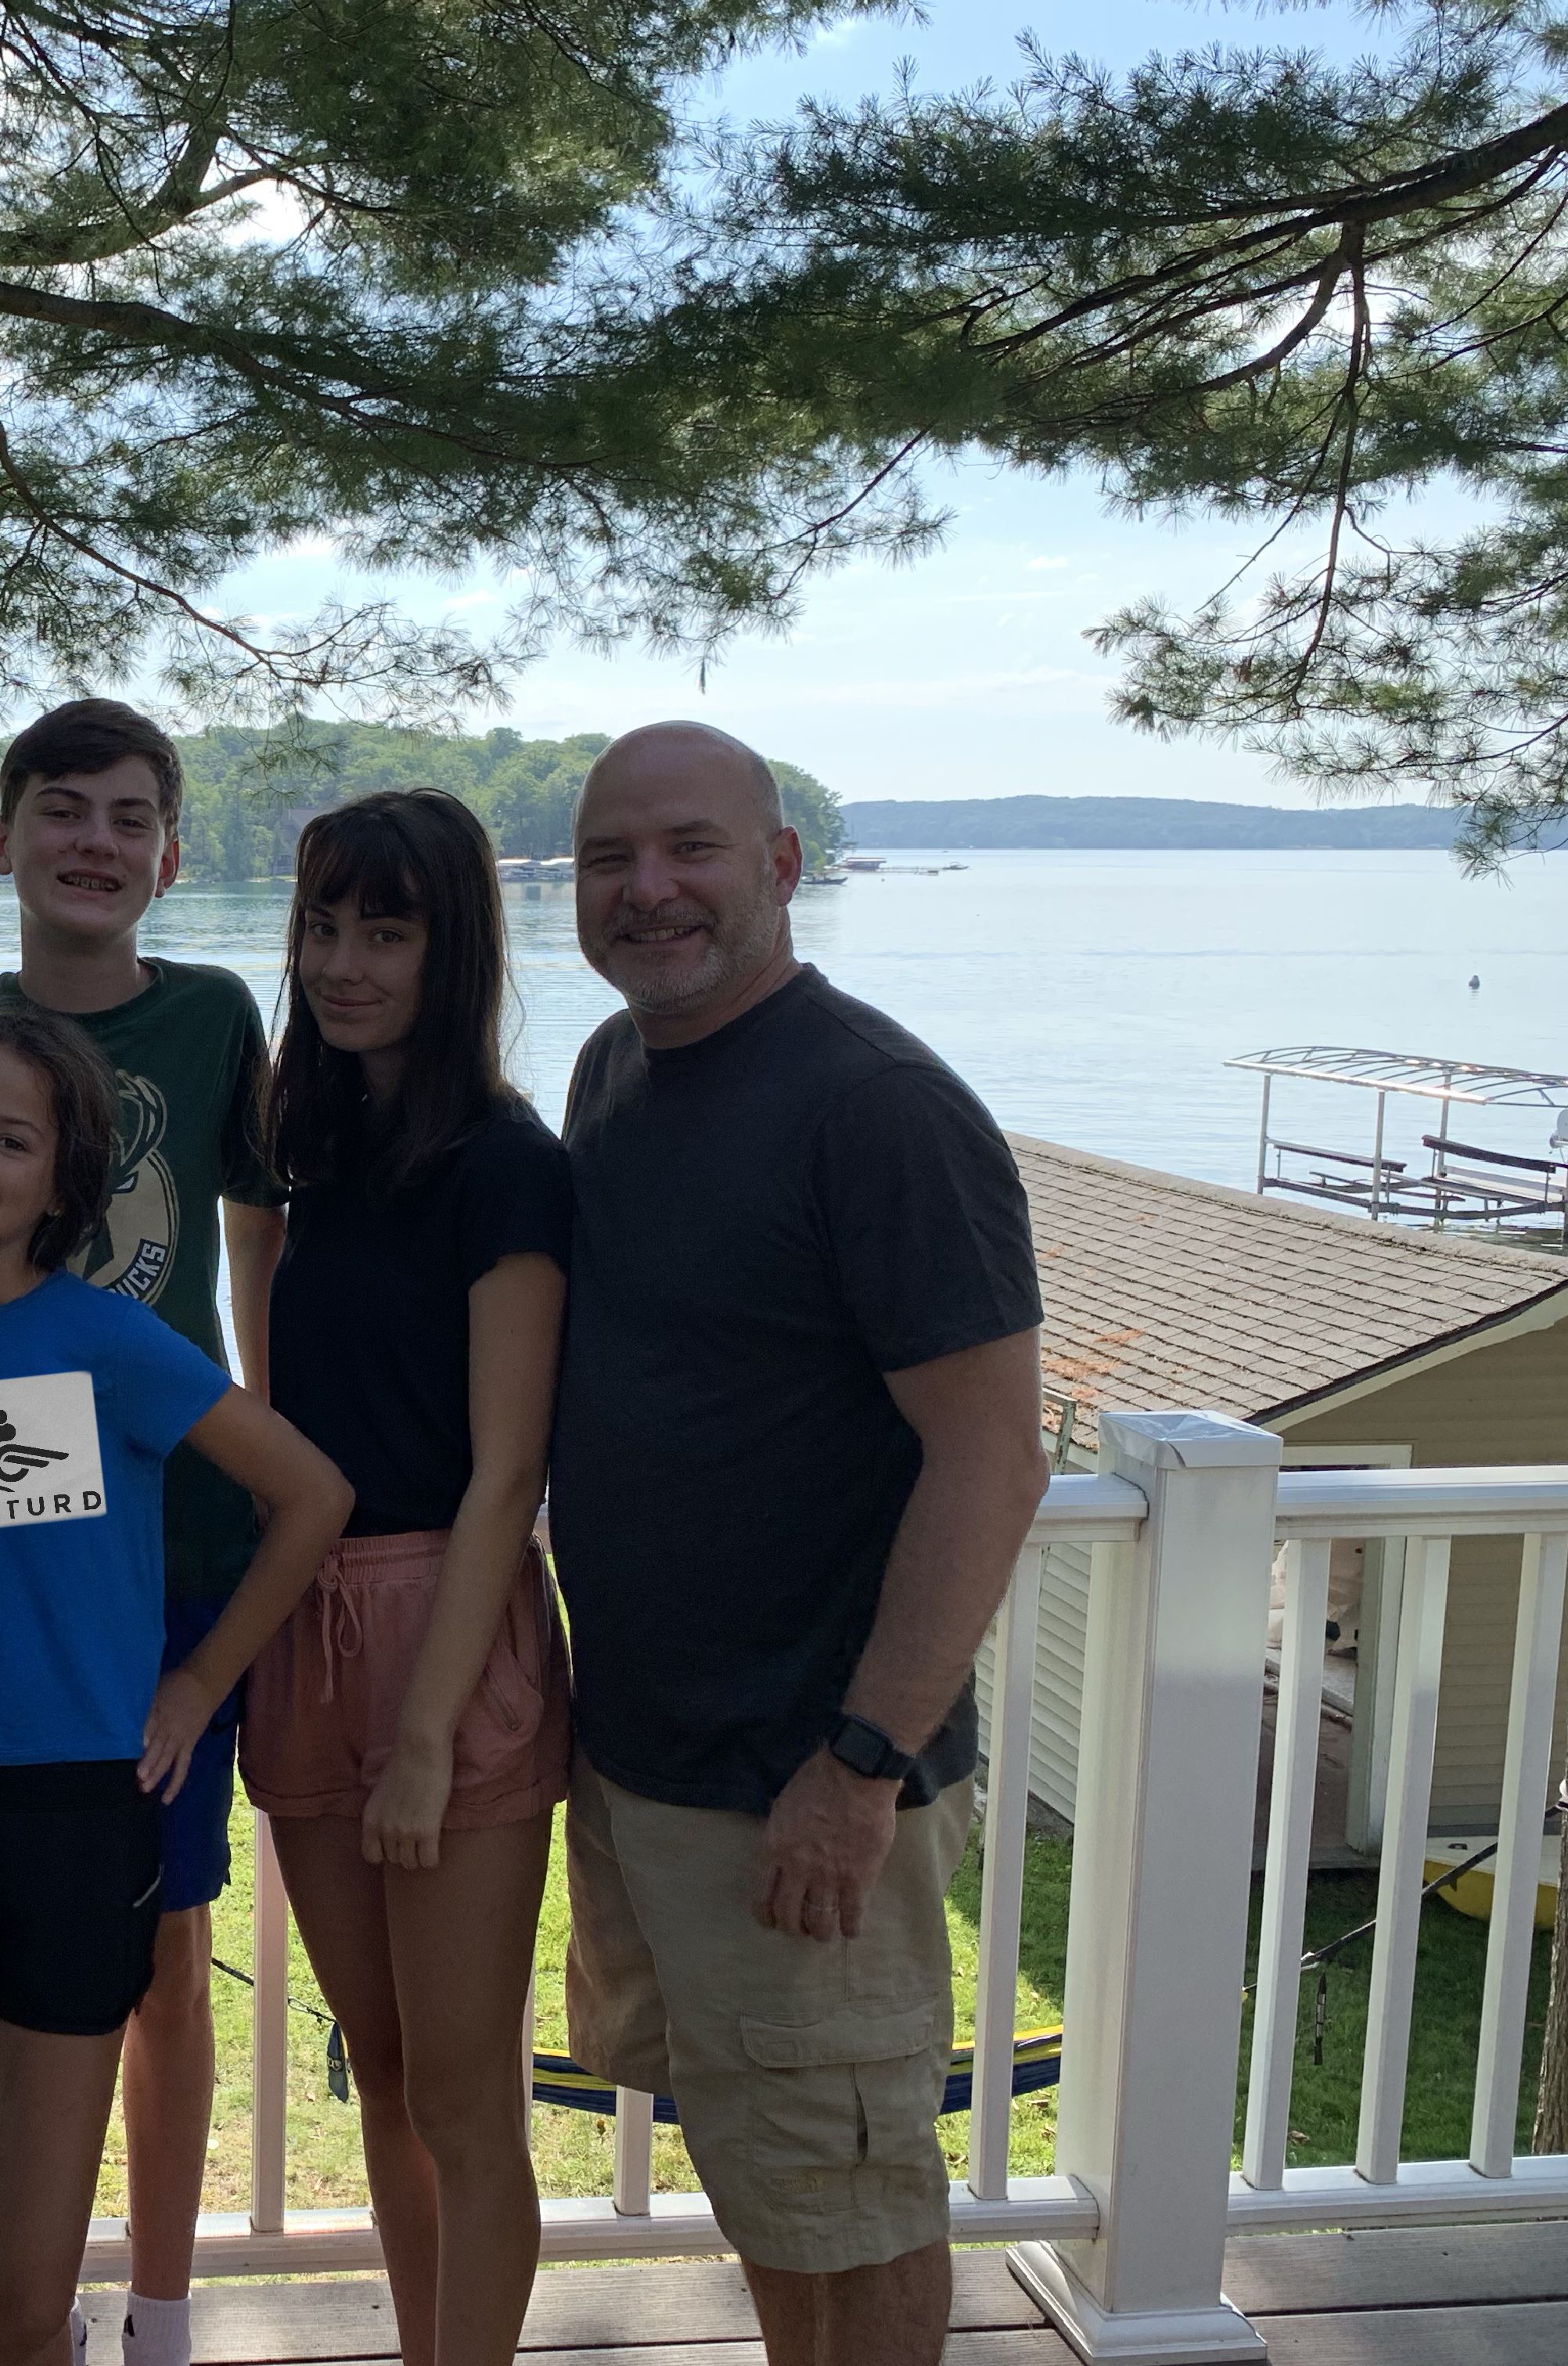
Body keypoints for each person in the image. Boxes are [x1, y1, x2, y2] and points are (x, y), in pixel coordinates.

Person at [552, 723, 1048, 2366]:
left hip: (808, 1774)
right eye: (610, 858)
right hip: (654, 1756)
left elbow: (992, 1460)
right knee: (771, 2176)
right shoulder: (616, 1071)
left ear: (780, 865)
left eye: (689, 848)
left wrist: (861, 1765)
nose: (647, 889)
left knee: (859, 2187)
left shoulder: (878, 1110)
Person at [0, 1005, 350, 2366]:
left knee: (16, 2293)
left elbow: (311, 1493)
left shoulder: (108, 1340)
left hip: (81, 1813)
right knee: (5, 2263)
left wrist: (199, 1681)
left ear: (66, 1184)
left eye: (13, 1140)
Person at [0, 698, 280, 2366]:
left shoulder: (215, 1015)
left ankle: (155, 2311)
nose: (94, 843)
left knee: (162, 1958)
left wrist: (270, 1447)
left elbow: (260, 1247)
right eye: (61, 810)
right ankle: (23, 2306)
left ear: (169, 858)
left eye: (129, 818)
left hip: (173, 1568)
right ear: (1, 837)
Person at [243, 789, 573, 2366]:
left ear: (455, 952)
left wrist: (432, 1732)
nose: (344, 963)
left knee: (462, 2088)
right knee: (378, 2067)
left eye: (387, 931)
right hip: (307, 1619)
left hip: (453, 1625)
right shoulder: (309, 1147)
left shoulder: (504, 1164)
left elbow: (510, 1471)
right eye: (323, 926)